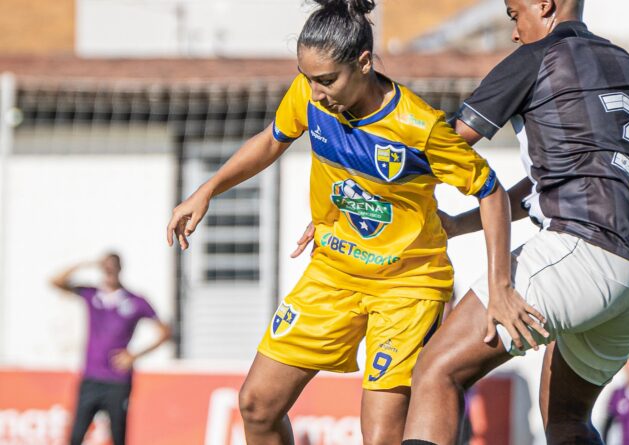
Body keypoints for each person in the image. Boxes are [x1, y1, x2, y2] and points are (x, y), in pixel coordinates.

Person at [165, 1, 530, 444]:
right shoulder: (309, 94)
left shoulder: (420, 127)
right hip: (333, 273)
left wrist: (500, 286)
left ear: (362, 63)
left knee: (381, 437)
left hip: (406, 287)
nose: (316, 93)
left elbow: (490, 191)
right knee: (257, 405)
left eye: (326, 81)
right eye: (308, 79)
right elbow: (271, 141)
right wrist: (206, 190)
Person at [397, 1, 629, 444]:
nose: (514, 32)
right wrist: (458, 224)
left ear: (544, 4)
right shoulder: (624, 62)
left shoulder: (536, 58)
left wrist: (354, 188)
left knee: (437, 371)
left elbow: (444, 149)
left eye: (514, 14)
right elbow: (557, 182)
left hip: (591, 251)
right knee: (568, 419)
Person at [50, 253, 172, 445]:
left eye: (112, 266)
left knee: (118, 436)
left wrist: (135, 355)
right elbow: (55, 281)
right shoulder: (91, 294)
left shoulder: (135, 301)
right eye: (105, 266)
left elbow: (165, 332)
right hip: (91, 378)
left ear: (120, 269)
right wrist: (85, 262)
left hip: (117, 381)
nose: (109, 270)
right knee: (75, 437)